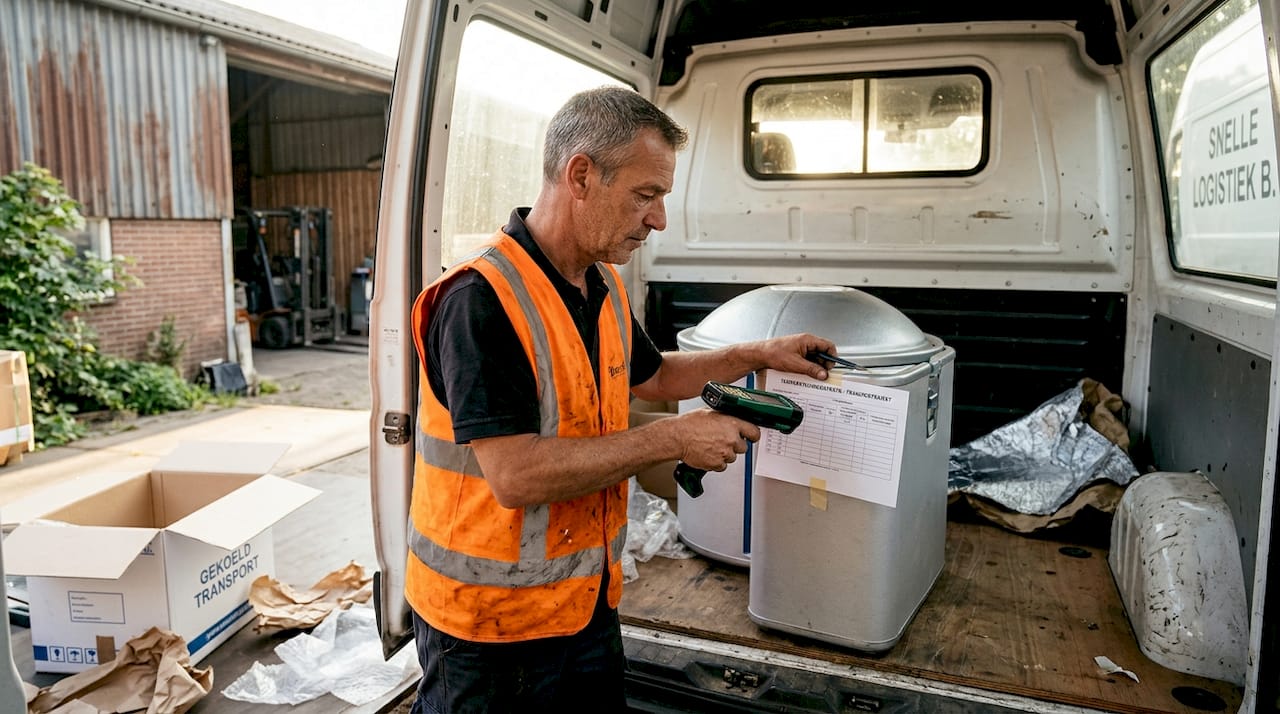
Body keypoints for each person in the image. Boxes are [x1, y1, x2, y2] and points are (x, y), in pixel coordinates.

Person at [407, 86, 837, 713]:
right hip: (488, 630)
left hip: (585, 607)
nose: (659, 219)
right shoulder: (480, 301)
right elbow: (516, 475)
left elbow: (655, 376)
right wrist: (672, 438)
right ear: (580, 175)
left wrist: (759, 354)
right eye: (646, 195)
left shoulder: (599, 280)